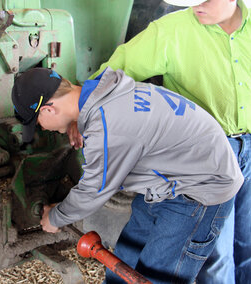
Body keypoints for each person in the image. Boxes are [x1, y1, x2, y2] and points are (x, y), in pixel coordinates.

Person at [11, 67, 243, 283]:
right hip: (170, 178)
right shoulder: (107, 92)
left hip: (199, 191)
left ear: (48, 110)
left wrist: (55, 217)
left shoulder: (107, 125)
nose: (42, 128)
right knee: (126, 258)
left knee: (156, 273)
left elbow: (93, 191)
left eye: (38, 122)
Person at [85, 0, 251, 283]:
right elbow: (112, 76)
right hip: (208, 159)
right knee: (214, 258)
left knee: (247, 245)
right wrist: (84, 112)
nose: (196, 5)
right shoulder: (170, 30)